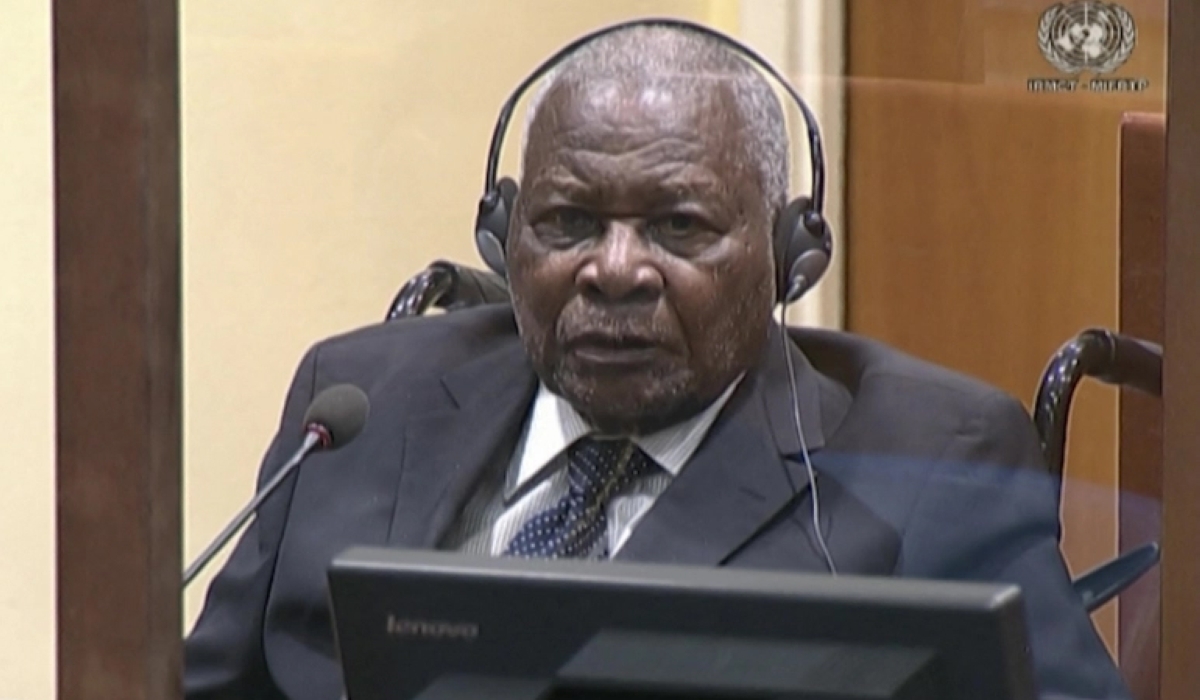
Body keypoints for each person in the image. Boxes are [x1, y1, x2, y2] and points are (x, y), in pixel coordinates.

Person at [184, 23, 1132, 700]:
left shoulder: (931, 456)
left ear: (790, 256)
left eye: (679, 228)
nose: (616, 269)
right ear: (501, 235)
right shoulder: (357, 405)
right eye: (570, 224)